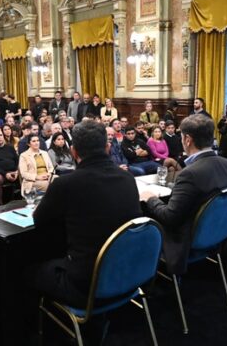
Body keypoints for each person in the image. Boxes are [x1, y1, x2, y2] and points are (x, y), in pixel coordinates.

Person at [31, 120, 142, 325]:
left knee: (29, 268)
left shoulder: (65, 184)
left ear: (73, 152)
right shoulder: (127, 179)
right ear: (108, 148)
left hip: (86, 286)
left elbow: (39, 222)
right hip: (129, 272)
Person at [140, 114, 227, 275]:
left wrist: (151, 198)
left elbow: (170, 218)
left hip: (185, 241)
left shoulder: (190, 174)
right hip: (217, 235)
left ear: (187, 140)